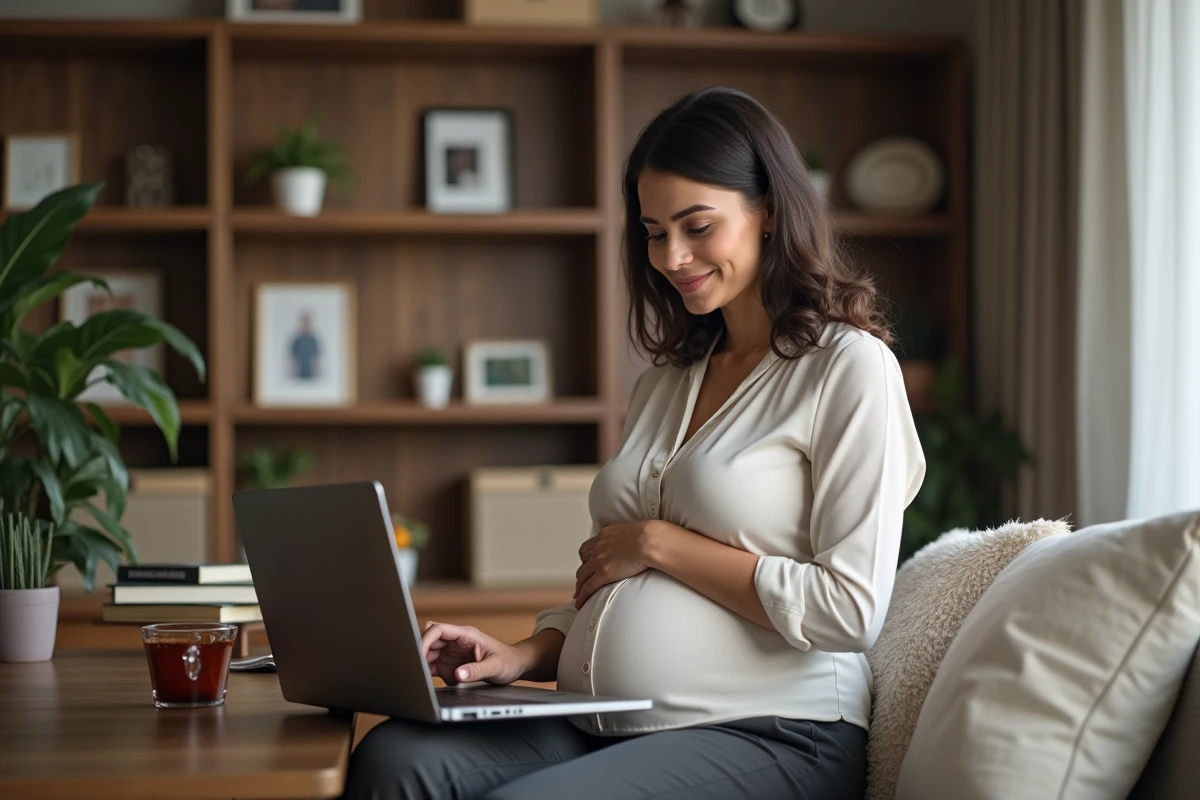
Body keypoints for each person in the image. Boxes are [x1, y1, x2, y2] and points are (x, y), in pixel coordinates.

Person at [343, 86, 926, 800]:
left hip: (777, 732)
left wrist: (660, 544)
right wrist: (522, 653)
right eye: (654, 232)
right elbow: (606, 579)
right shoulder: (667, 380)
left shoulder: (848, 368)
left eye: (697, 225)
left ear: (769, 210)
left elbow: (850, 609)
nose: (673, 256)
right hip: (609, 720)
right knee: (394, 758)